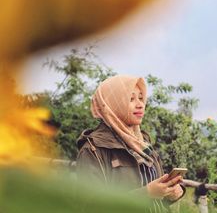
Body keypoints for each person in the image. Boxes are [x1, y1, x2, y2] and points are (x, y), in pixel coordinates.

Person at [76, 75, 186, 212]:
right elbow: (89, 206)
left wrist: (170, 193)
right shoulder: (93, 149)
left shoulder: (143, 144)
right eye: (131, 99)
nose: (140, 104)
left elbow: (155, 200)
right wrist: (146, 193)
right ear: (113, 105)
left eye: (141, 98)